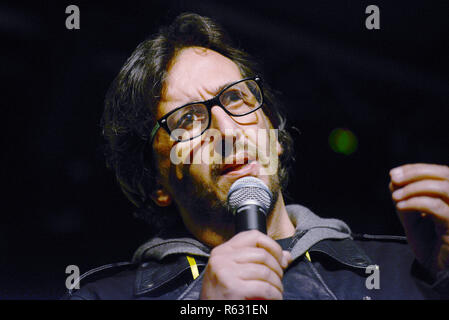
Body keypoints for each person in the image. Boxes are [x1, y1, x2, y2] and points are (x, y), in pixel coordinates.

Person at [64, 13, 449, 300]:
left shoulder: (408, 270)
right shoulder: (101, 296)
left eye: (235, 98)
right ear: (156, 185)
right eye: (187, 119)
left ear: (275, 137)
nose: (228, 131)